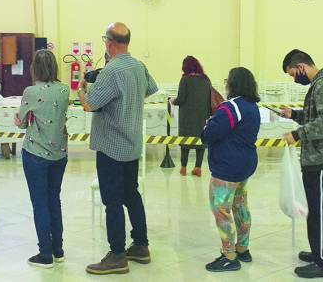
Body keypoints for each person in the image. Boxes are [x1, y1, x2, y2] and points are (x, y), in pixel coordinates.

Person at [78, 22, 158, 275]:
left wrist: (81, 89)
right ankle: (141, 245)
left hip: (112, 145)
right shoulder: (138, 66)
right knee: (131, 194)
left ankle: (116, 254)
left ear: (109, 43)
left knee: (112, 200)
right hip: (132, 142)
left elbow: (90, 105)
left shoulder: (111, 71)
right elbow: (150, 89)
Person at [279, 49, 323, 279]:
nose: (294, 78)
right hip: (319, 156)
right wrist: (294, 114)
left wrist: (297, 134)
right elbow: (316, 115)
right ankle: (319, 251)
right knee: (317, 209)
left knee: (321, 211)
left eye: (292, 74)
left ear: (300, 66)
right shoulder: (321, 84)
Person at [201, 67, 261, 272]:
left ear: (233, 84)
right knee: (240, 206)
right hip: (245, 165)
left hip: (227, 166)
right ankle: (243, 248)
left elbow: (211, 132)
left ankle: (228, 255)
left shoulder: (231, 106)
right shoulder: (252, 106)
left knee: (221, 209)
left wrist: (206, 127)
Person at [13, 50, 69, 268]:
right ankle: (58, 249)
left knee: (40, 203)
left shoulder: (30, 91)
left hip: (36, 153)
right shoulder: (64, 90)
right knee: (54, 199)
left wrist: (18, 121)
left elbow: (22, 121)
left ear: (34, 68)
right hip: (59, 154)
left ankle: (45, 254)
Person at [170, 56, 212, 177]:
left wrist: (173, 101)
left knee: (185, 141)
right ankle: (198, 168)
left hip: (187, 117)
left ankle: (183, 168)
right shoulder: (205, 79)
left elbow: (181, 98)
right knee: (201, 140)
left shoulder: (185, 80)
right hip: (203, 115)